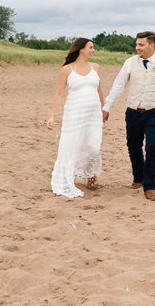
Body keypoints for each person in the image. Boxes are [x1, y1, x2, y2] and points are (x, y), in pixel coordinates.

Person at [101, 31, 155, 201]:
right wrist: (107, 106)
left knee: (152, 147)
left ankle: (150, 185)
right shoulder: (130, 62)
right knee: (133, 145)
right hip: (133, 111)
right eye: (137, 44)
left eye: (141, 44)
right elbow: (118, 85)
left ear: (151, 46)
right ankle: (138, 177)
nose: (137, 47)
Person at [47, 38, 105, 198]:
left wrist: (103, 109)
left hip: (94, 115)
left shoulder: (96, 68)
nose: (93, 50)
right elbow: (59, 94)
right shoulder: (67, 69)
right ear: (81, 49)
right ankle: (69, 177)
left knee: (93, 146)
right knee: (73, 146)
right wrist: (52, 115)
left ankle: (90, 176)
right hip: (75, 114)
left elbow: (99, 91)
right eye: (91, 47)